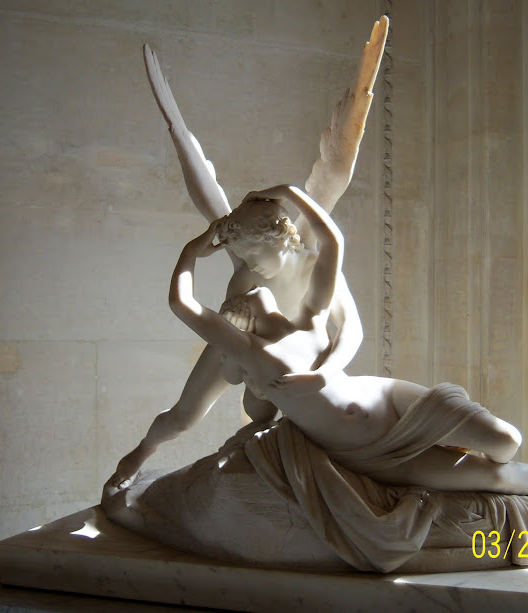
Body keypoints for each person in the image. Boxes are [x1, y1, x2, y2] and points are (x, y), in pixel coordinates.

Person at [169, 184, 528, 499]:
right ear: (239, 324)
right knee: (494, 478)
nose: (252, 281)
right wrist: (193, 250)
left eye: (253, 268)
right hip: (369, 453)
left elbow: (333, 241)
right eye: (246, 297)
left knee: (506, 442)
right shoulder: (251, 357)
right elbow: (183, 306)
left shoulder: (309, 319)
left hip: (389, 403)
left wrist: (285, 192)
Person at [107, 17, 390, 489]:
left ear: (281, 241)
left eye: (256, 259)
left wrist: (326, 372)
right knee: (181, 416)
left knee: (278, 424)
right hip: (234, 346)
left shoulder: (316, 268)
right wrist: (177, 128)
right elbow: (201, 191)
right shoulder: (245, 254)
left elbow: (353, 329)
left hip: (295, 360)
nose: (248, 268)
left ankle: (270, 476)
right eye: (242, 258)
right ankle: (138, 456)